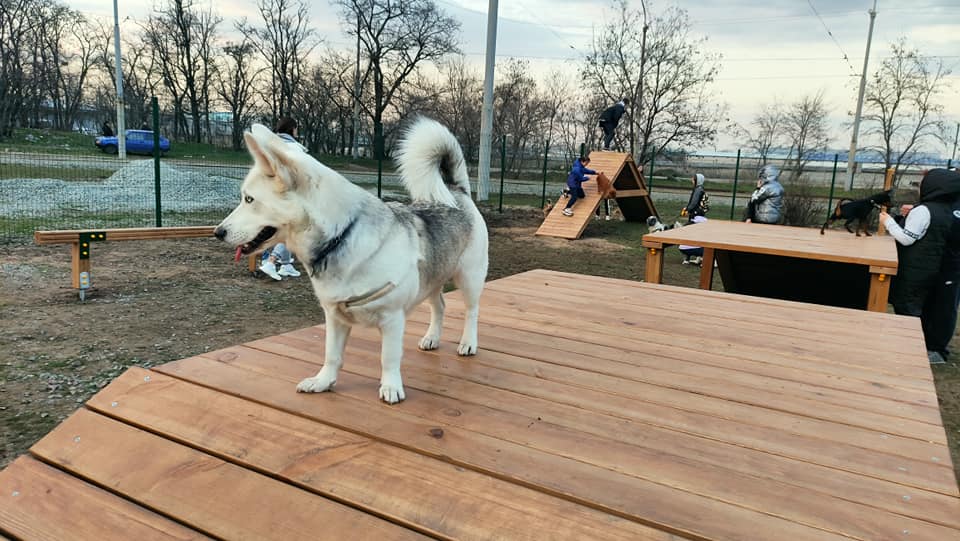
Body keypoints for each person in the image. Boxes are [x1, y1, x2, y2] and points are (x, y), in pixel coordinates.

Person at [880, 168, 960, 364]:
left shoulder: (939, 207)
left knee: (939, 308)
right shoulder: (942, 205)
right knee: (926, 306)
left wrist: (890, 222)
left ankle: (932, 349)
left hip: (944, 267)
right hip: (933, 267)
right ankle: (918, 344)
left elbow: (908, 237)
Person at [258, 116, 305, 280]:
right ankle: (272, 262)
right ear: (292, 129)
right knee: (291, 230)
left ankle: (286, 265)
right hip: (289, 193)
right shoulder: (293, 147)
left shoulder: (270, 145)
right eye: (296, 128)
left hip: (270, 191)